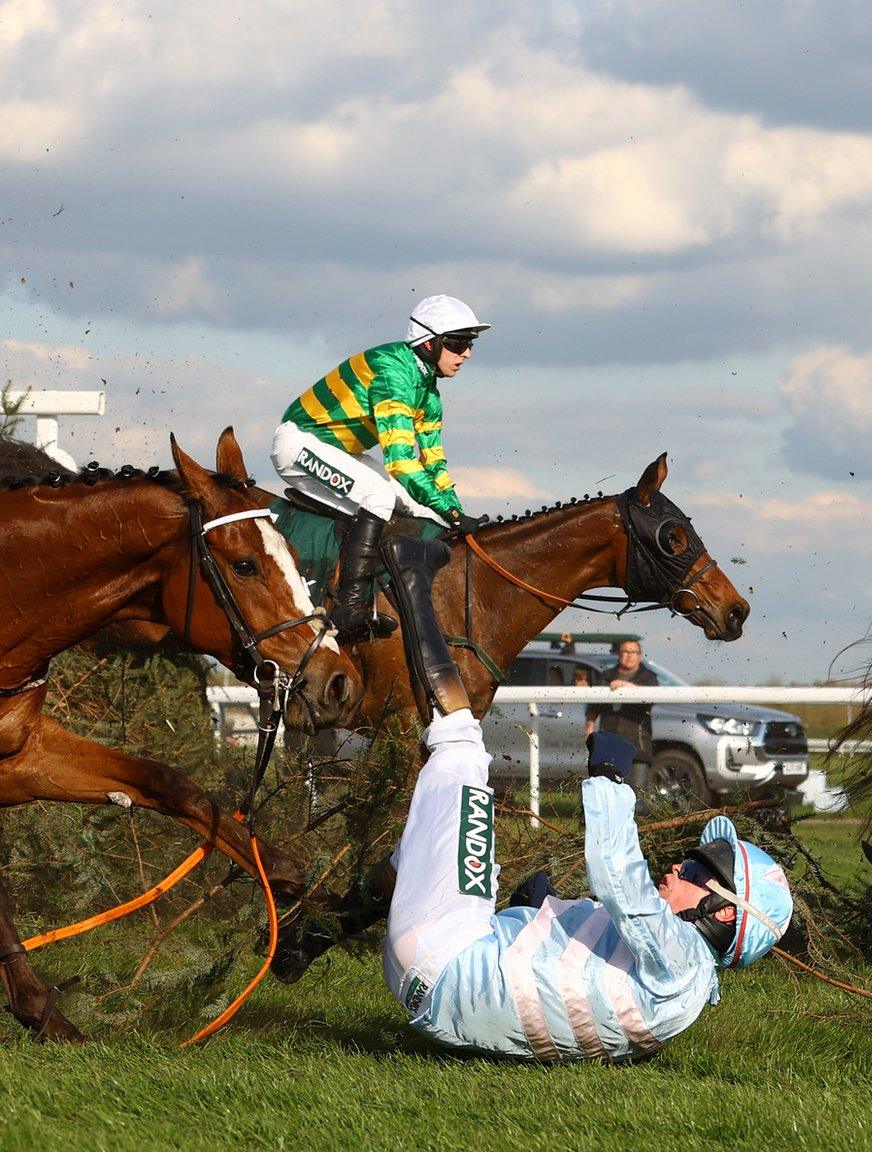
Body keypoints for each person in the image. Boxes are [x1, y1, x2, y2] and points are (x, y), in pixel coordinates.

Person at [383, 717, 793, 1062]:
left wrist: (609, 777)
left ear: (724, 911)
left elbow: (620, 877)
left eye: (695, 871)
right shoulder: (682, 998)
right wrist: (542, 912)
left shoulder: (684, 959)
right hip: (435, 997)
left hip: (444, 950)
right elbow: (583, 991)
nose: (677, 866)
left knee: (462, 743)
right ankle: (353, 906)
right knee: (426, 842)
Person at [271, 295, 488, 642]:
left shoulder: (428, 391)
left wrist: (455, 512)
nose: (467, 354)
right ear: (429, 342)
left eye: (470, 343)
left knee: (419, 507)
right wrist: (449, 509)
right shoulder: (392, 371)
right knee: (379, 496)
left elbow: (433, 461)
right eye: (458, 343)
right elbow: (401, 462)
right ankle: (349, 607)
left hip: (338, 450)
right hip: (298, 445)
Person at [585, 639, 659, 762]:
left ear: (639, 656)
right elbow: (593, 707)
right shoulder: (605, 677)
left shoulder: (649, 678)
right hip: (608, 745)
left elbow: (652, 698)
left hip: (638, 749)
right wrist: (589, 727)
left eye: (633, 652)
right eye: (625, 651)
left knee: (637, 782)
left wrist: (626, 686)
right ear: (619, 655)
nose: (629, 655)